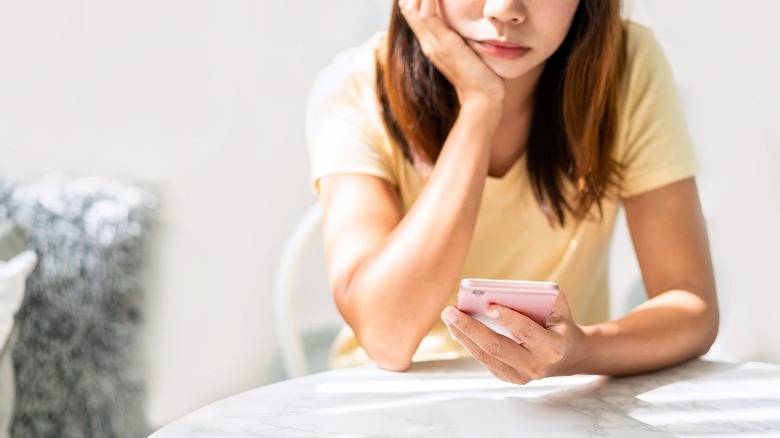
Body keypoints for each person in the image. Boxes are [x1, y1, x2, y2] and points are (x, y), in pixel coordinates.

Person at [305, 0, 719, 382]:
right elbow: (386, 338)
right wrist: (481, 105)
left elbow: (690, 304)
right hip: (392, 396)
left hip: (557, 399)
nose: (505, 10)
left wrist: (580, 351)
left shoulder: (624, 67)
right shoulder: (355, 87)